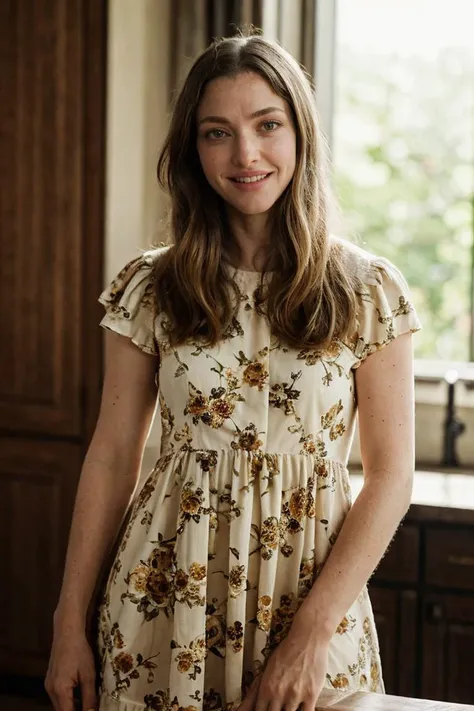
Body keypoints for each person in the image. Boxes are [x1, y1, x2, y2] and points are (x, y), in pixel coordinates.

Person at [45, 32, 421, 711]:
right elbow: (109, 457)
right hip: (162, 606)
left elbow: (392, 474)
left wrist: (310, 636)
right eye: (217, 133)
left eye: (267, 125)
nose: (245, 155)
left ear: (300, 133)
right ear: (194, 150)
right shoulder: (150, 286)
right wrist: (67, 621)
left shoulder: (368, 290)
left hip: (312, 609)